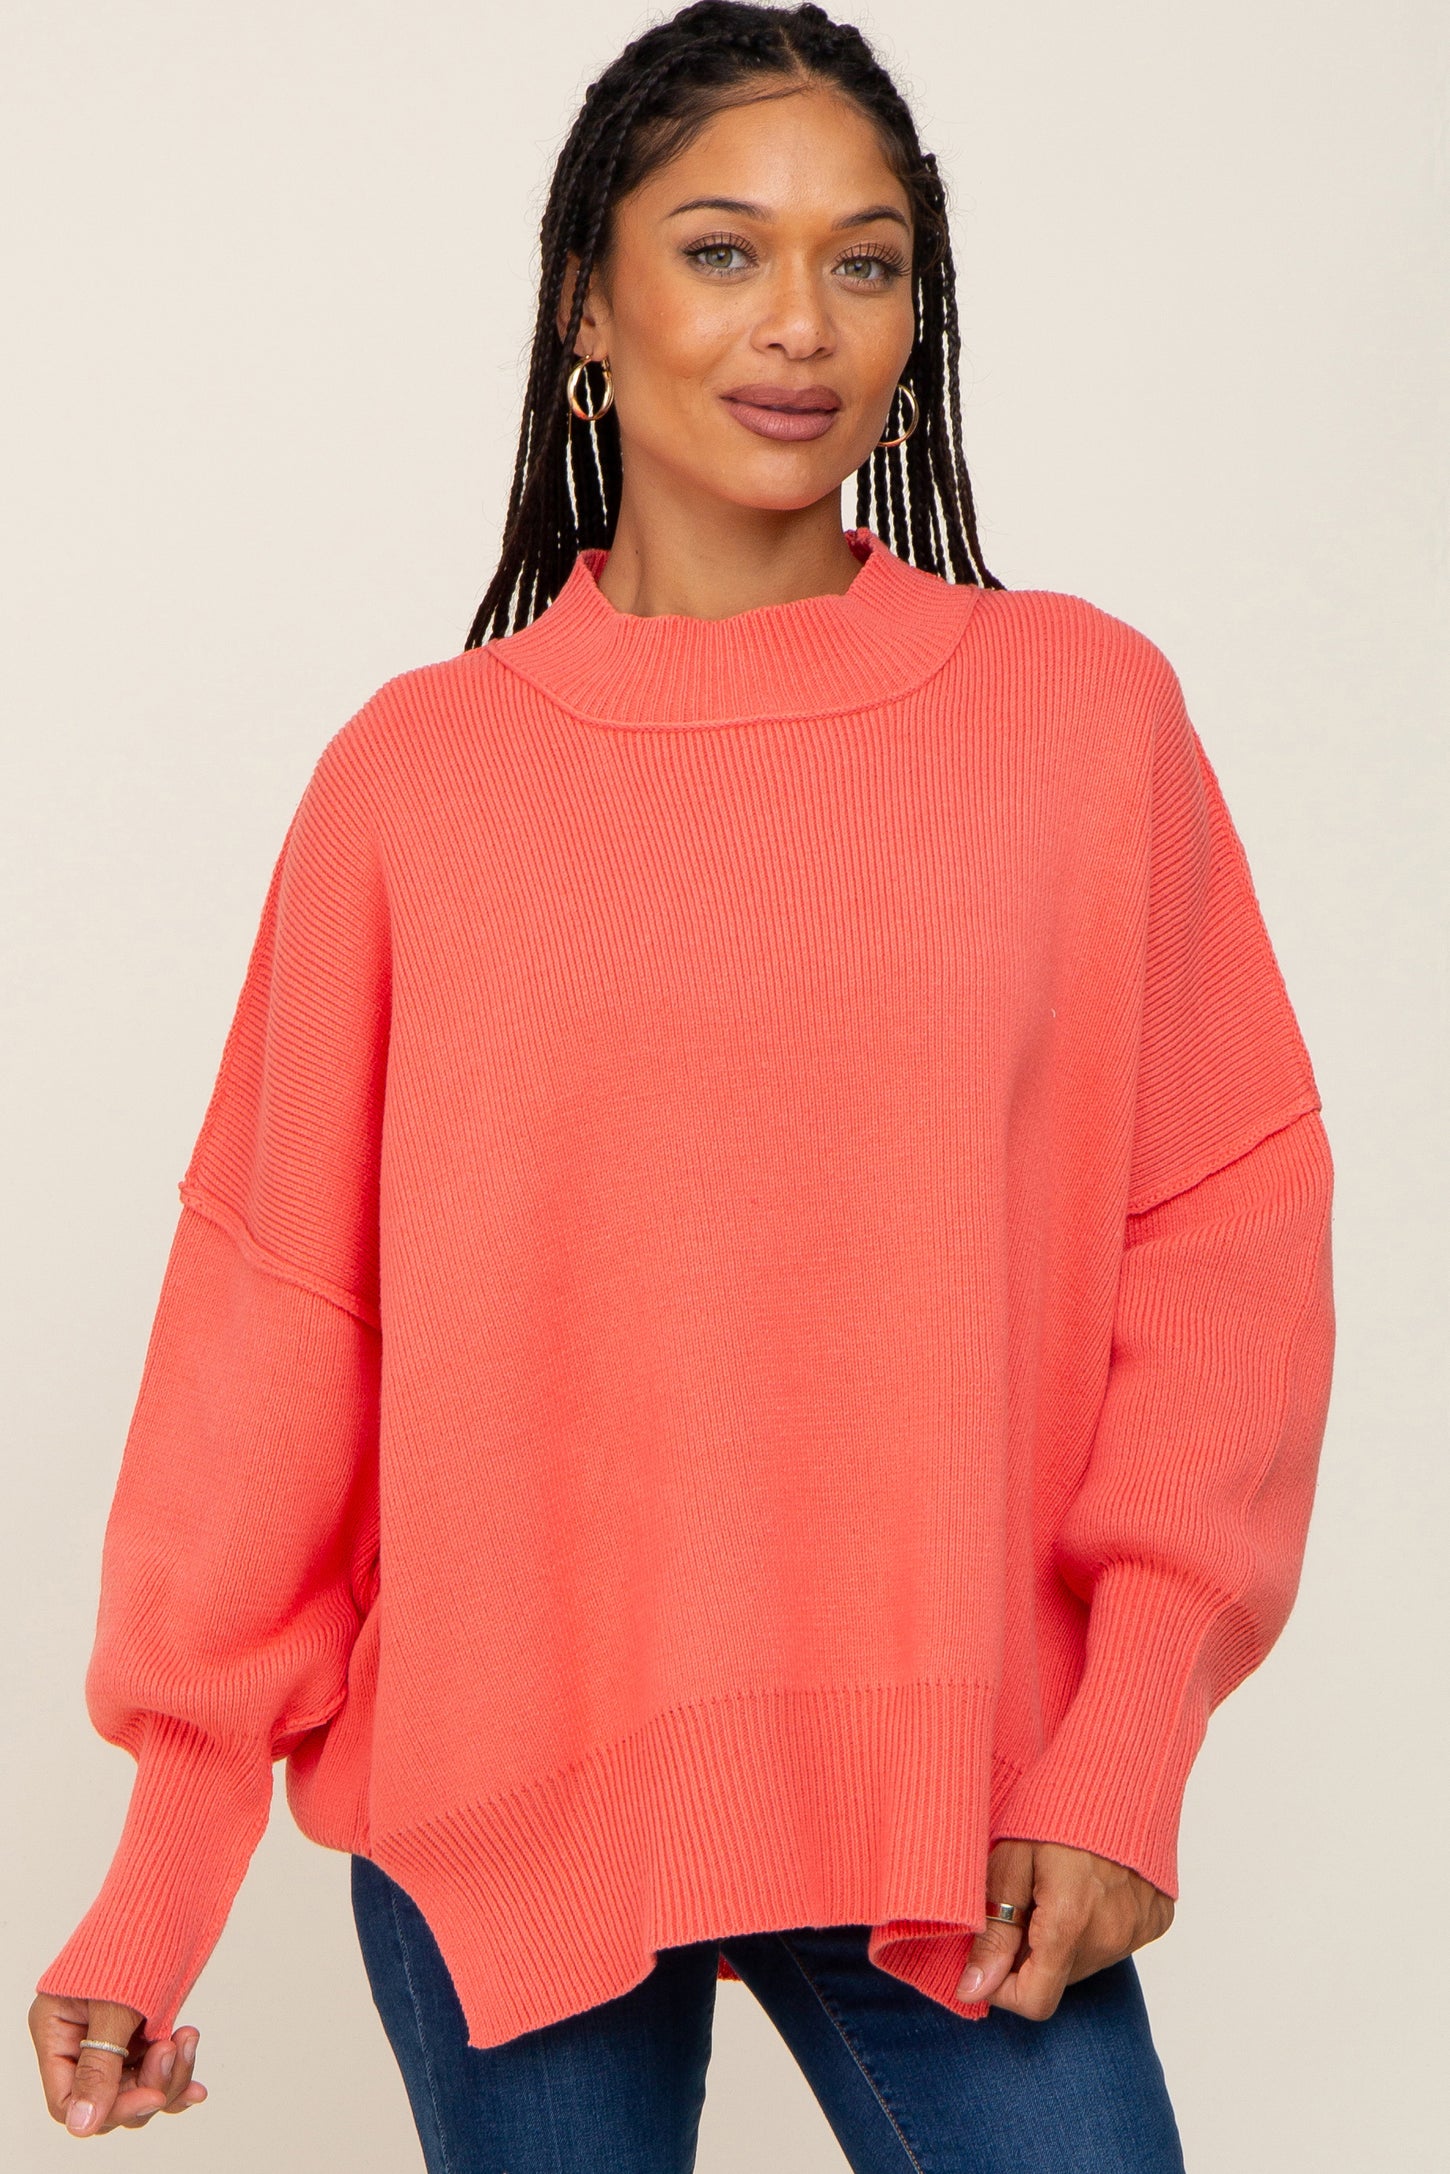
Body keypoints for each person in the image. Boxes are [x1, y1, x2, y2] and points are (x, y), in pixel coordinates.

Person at [29, 4, 1336, 2167]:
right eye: (722, 250)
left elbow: (1218, 1239)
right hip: (504, 1799)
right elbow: (277, 1327)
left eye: (866, 260)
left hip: (960, 1800)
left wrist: (1123, 1742)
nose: (799, 322)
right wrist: (160, 1874)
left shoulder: (1078, 720)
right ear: (588, 301)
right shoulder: (416, 782)